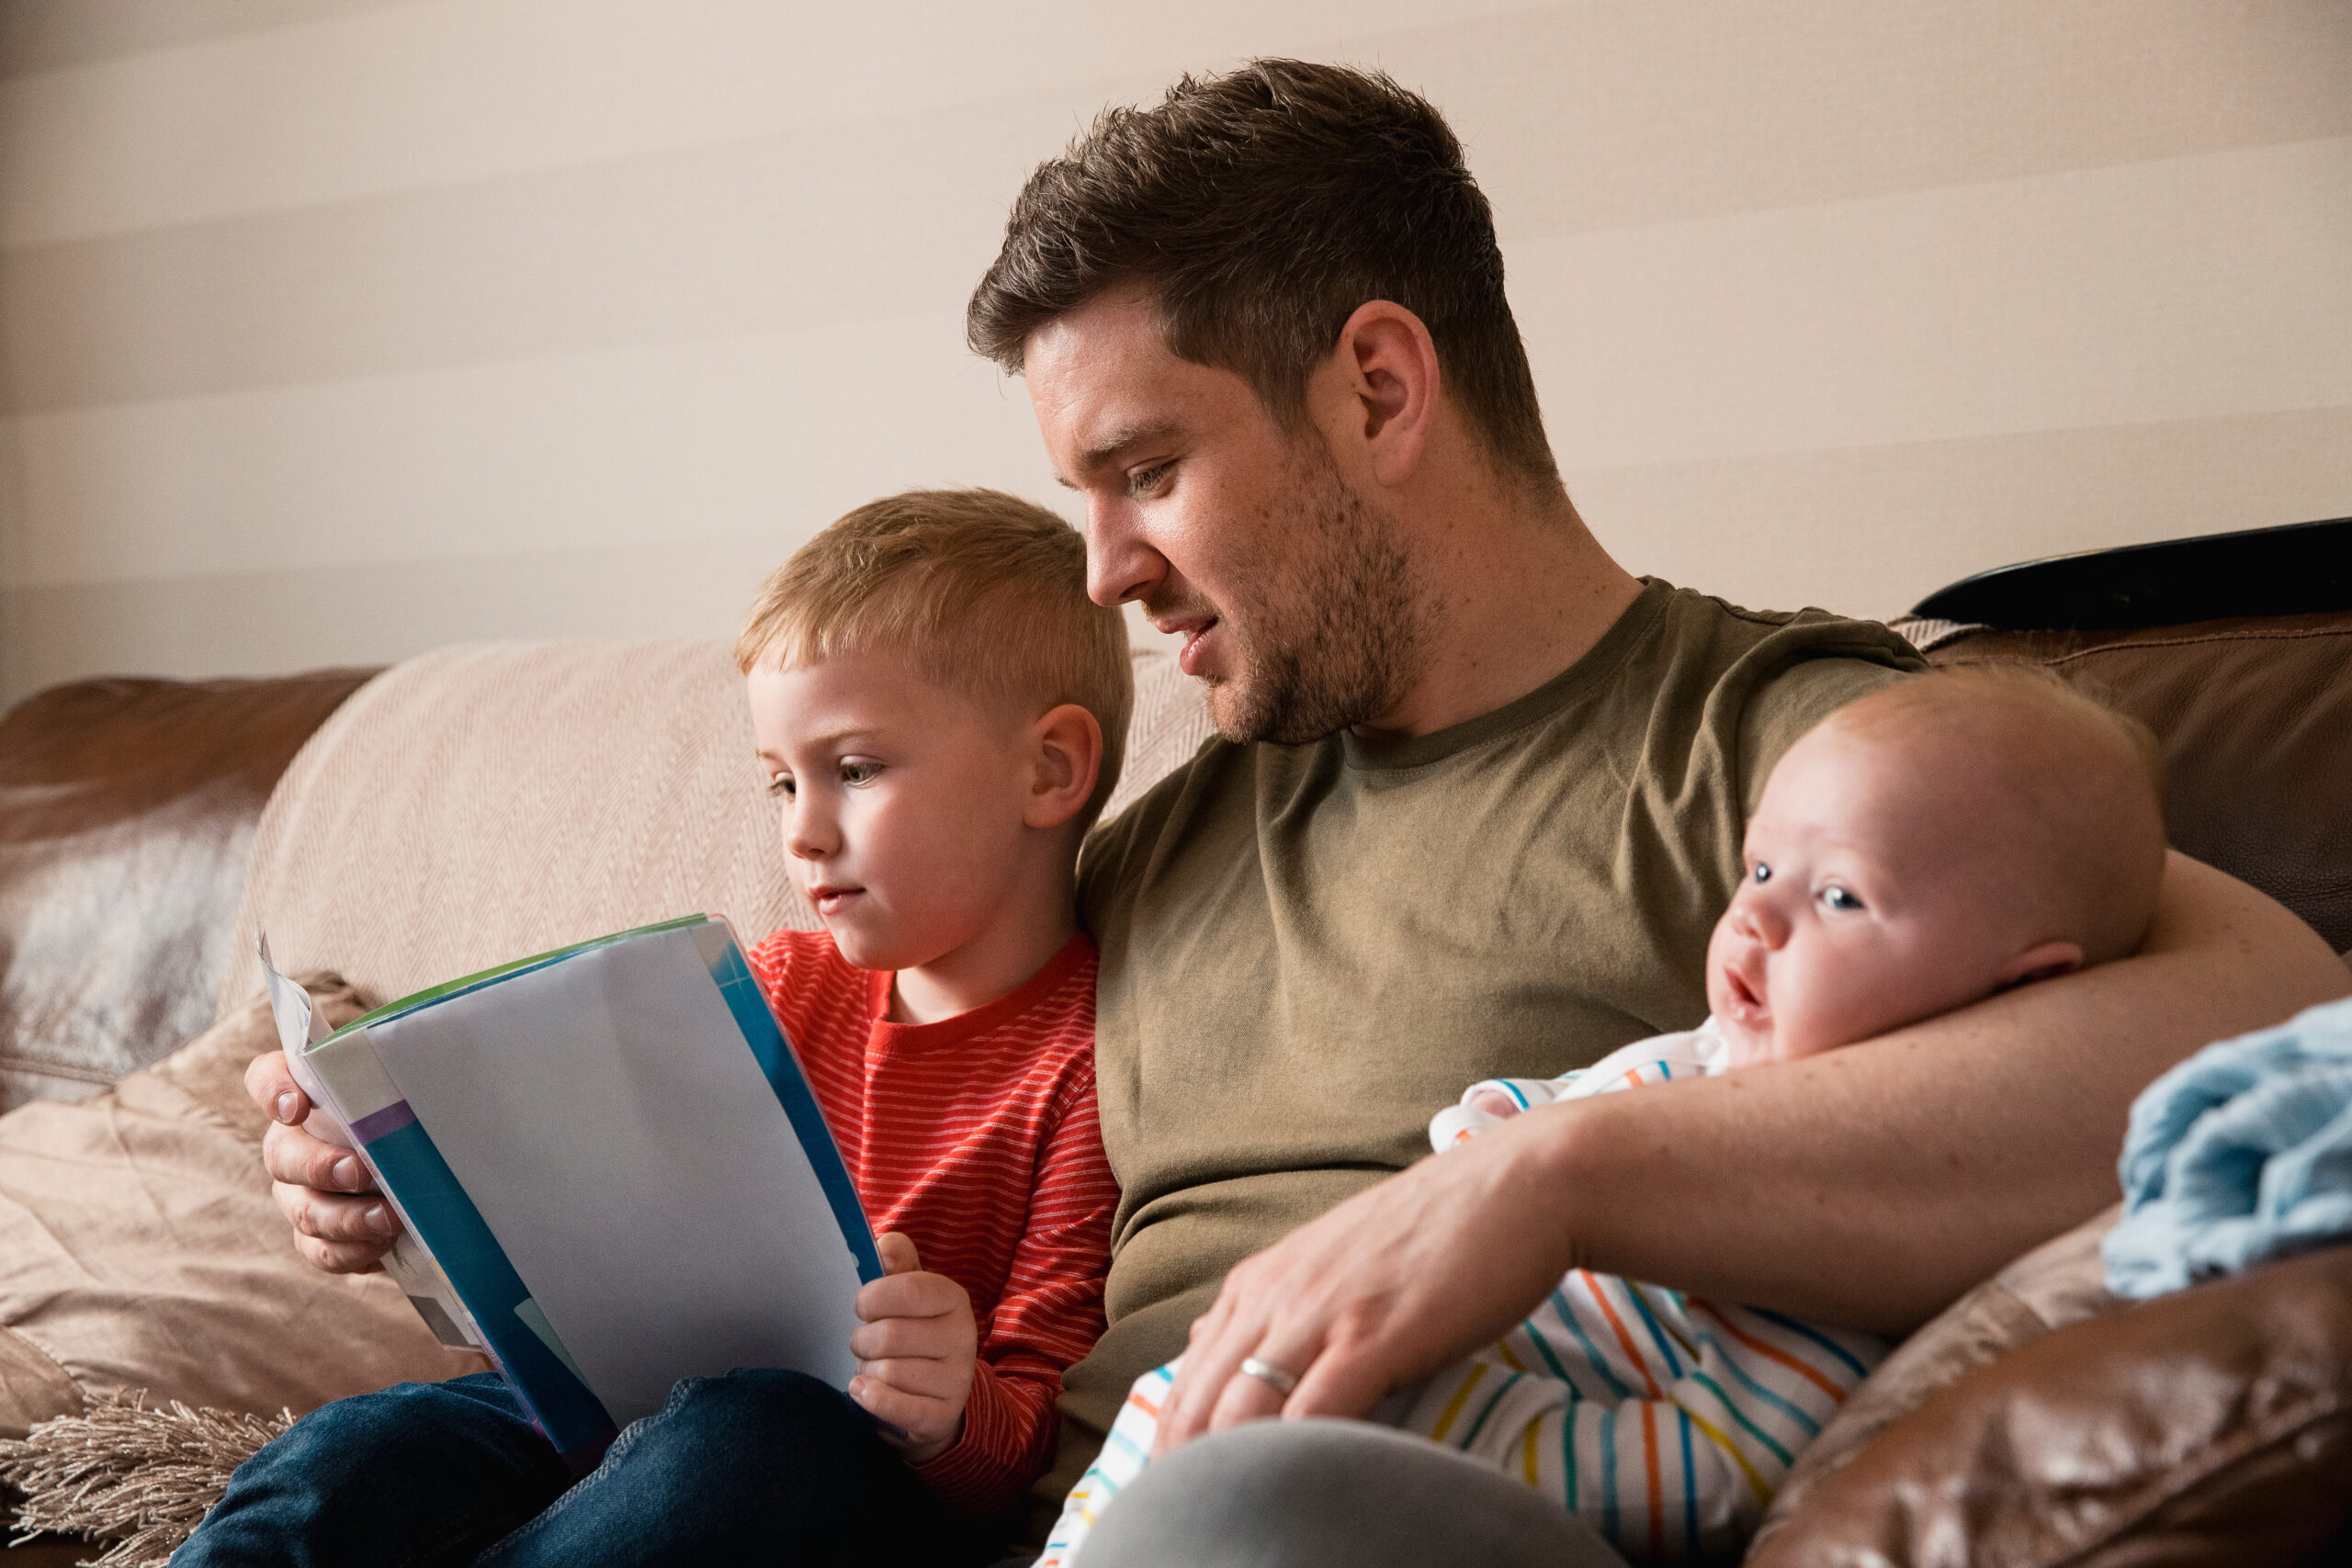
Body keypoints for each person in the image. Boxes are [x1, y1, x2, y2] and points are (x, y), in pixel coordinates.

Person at [960, 59, 2350, 1563]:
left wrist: (1548, 1177)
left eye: (1147, 471)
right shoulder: (1150, 840)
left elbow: (2271, 1026)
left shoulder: (1797, 754)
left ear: (1377, 388)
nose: (1102, 569)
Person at [1045, 668, 2170, 1562]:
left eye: (1836, 898)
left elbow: (1718, 1466)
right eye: (1759, 869)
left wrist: (1435, 1418)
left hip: (1389, 1468)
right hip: (1181, 1433)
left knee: (1236, 1498)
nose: (1756, 922)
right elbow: (1523, 1122)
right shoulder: (1701, 1055)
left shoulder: (1844, 1227)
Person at [214, 490, 1132, 1566]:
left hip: (835, 1478)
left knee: (752, 1442)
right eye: (781, 782)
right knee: (357, 1448)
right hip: (617, 1418)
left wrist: (950, 1409)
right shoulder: (769, 986)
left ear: (1049, 769)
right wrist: (381, 1162)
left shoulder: (1093, 1062)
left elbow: (1037, 1441)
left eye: (853, 769)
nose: (803, 829)